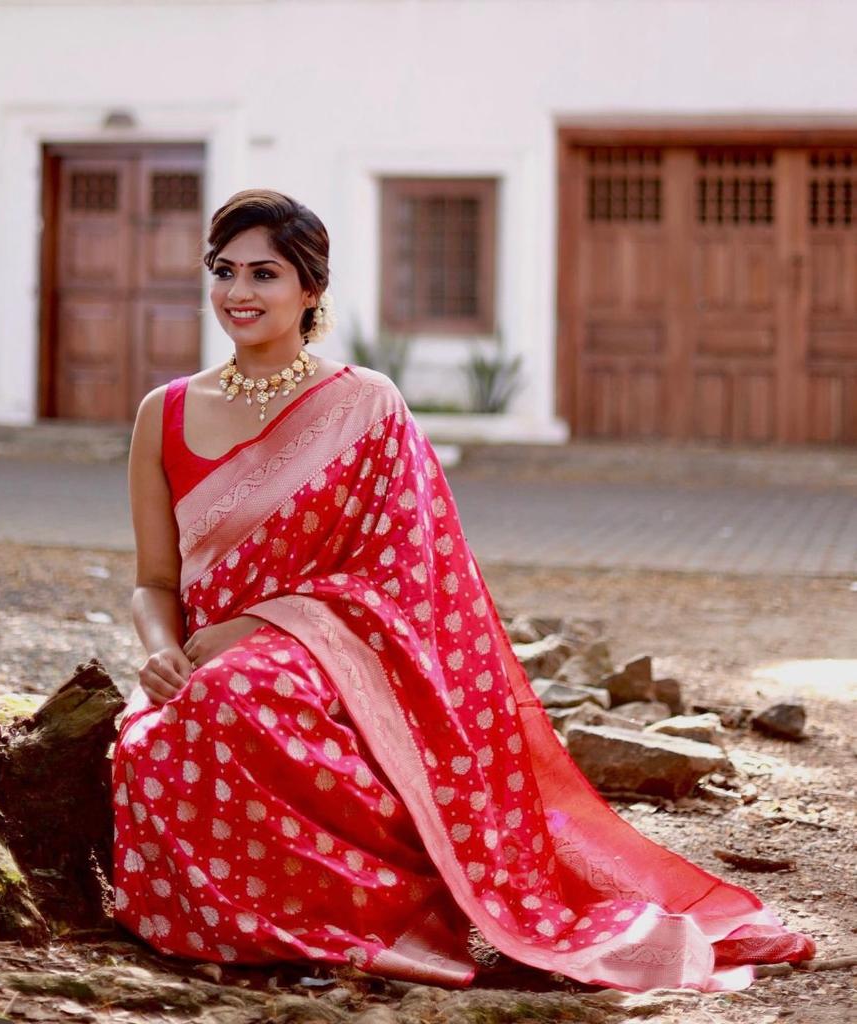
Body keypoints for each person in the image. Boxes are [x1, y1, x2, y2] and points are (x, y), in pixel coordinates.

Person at [112, 188, 814, 992]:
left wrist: (264, 626)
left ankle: (366, 922)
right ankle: (227, 925)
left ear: (310, 289)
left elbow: (404, 570)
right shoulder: (162, 412)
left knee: (239, 695)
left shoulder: (365, 405)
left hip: (330, 653)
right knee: (151, 739)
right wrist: (161, 651)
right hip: (197, 655)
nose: (238, 293)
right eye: (224, 271)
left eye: (263, 273)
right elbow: (156, 580)